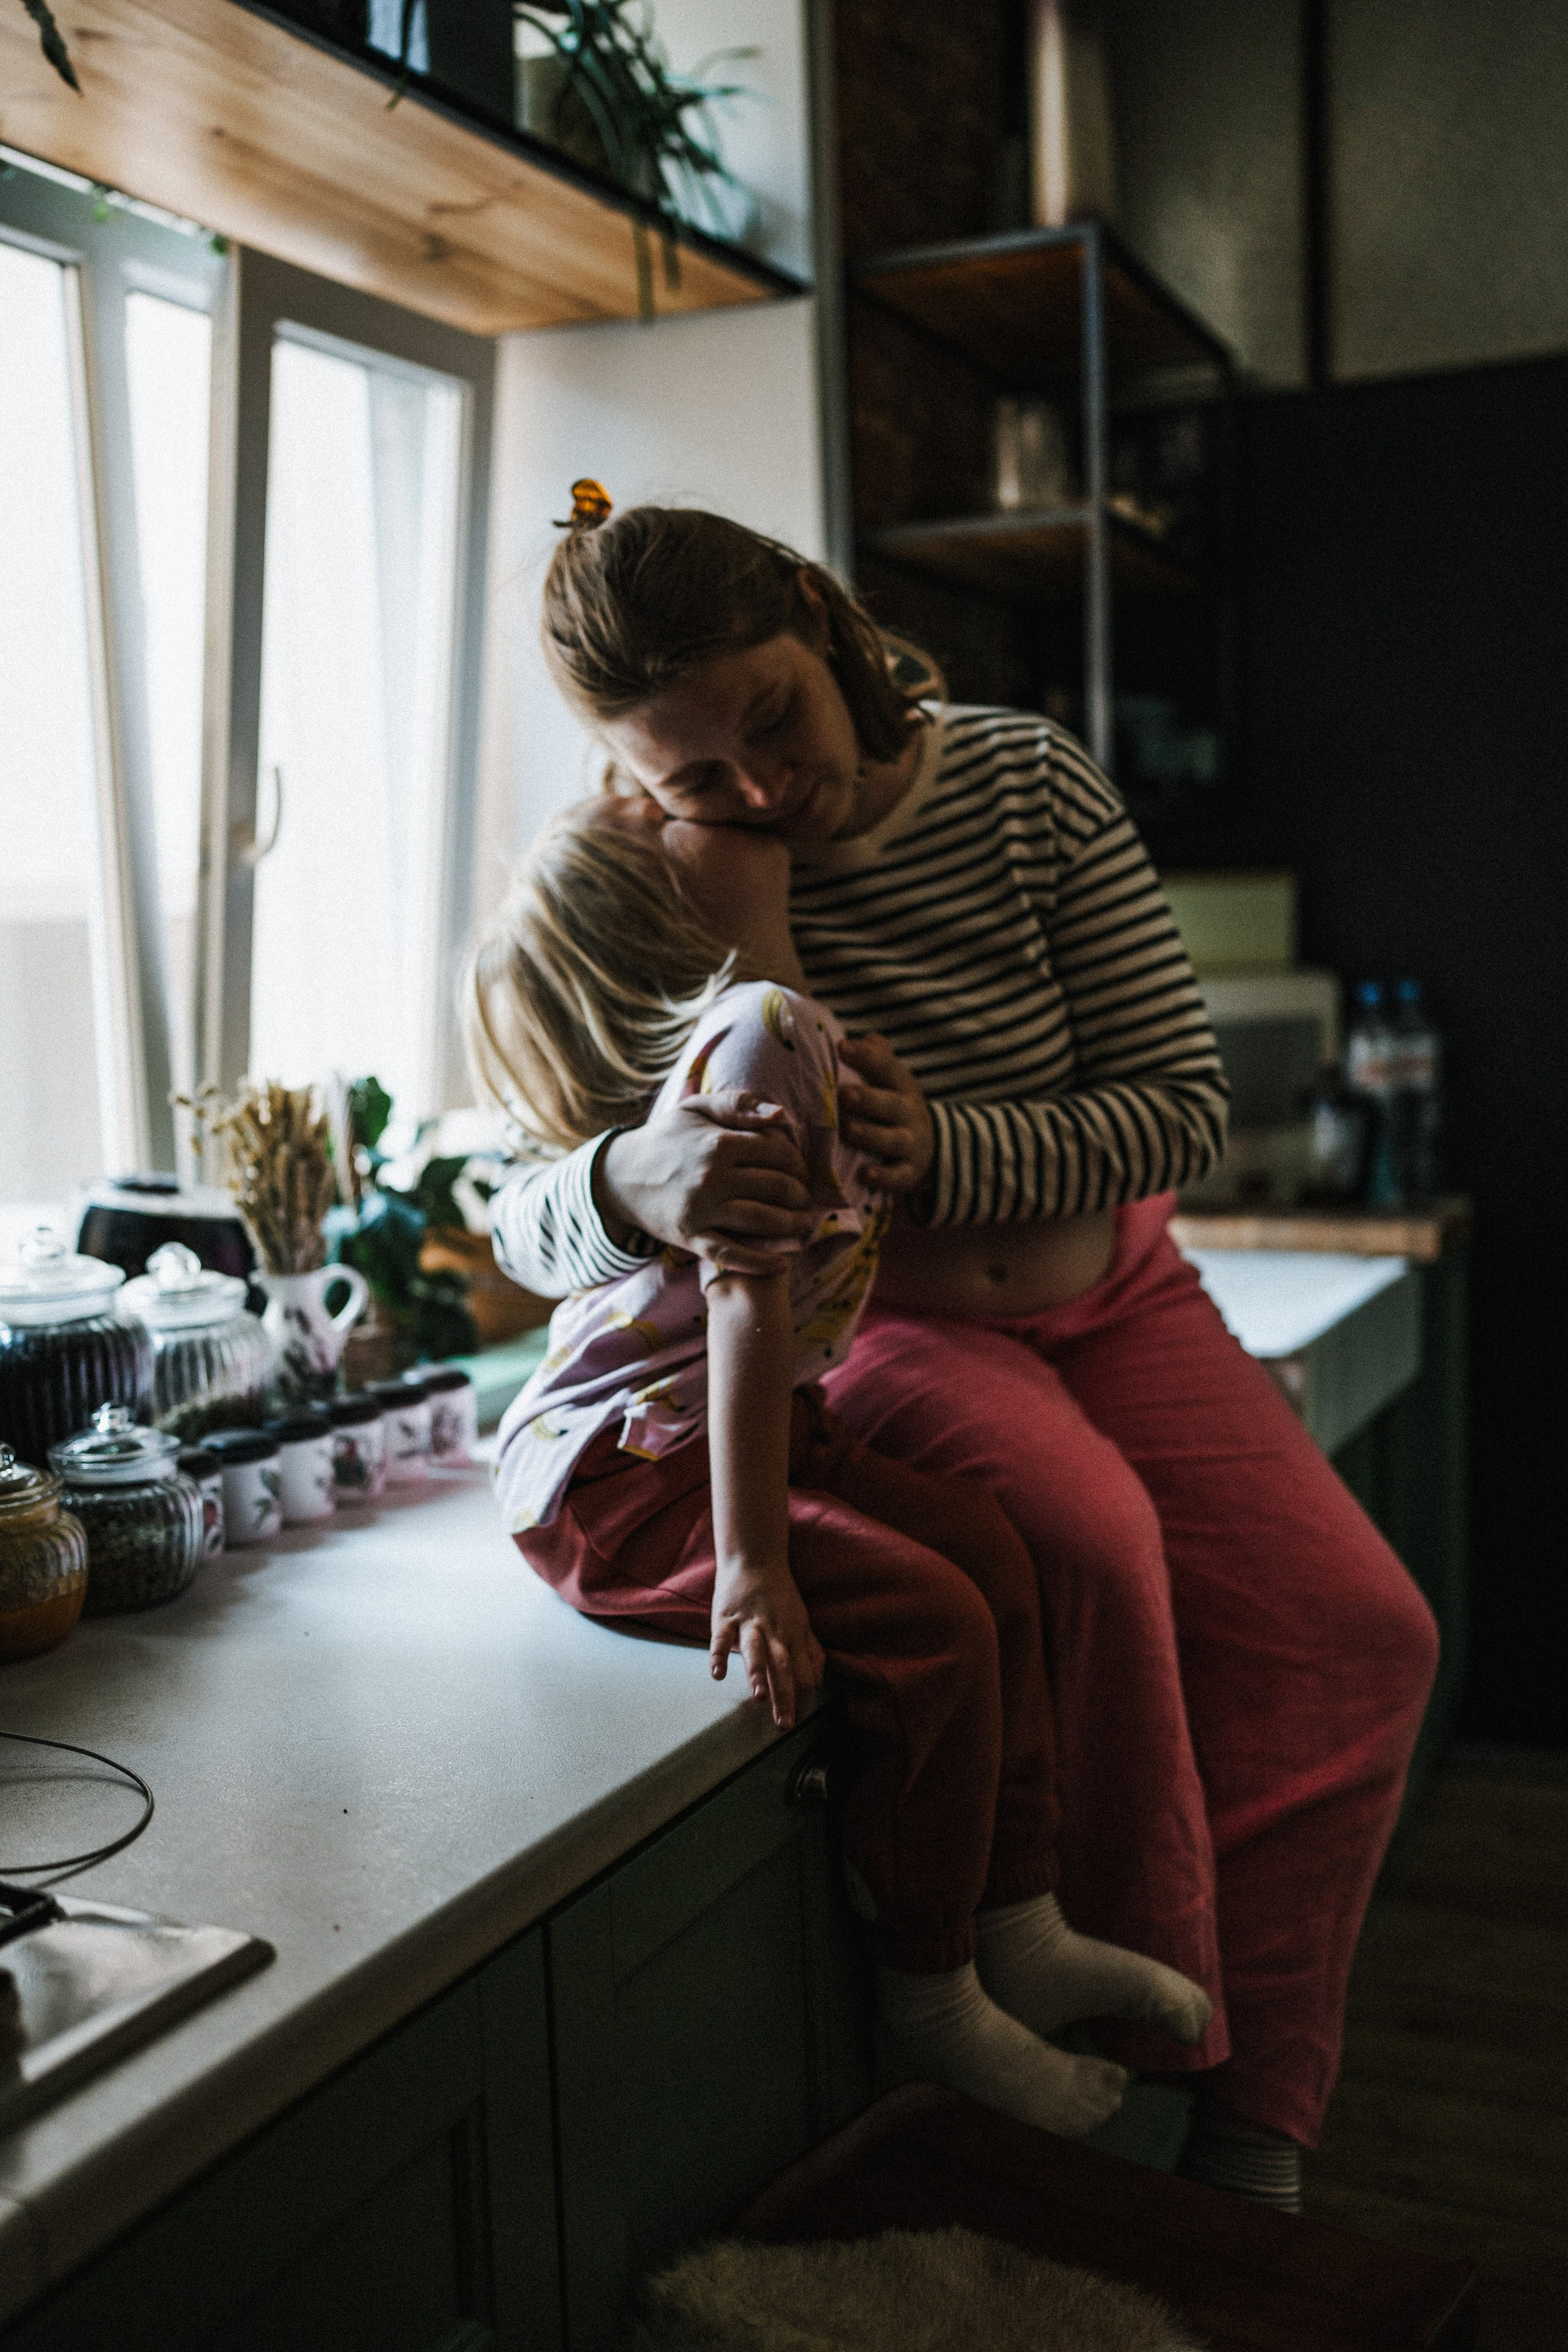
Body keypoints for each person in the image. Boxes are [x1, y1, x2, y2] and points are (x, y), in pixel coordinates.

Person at [489, 489, 1441, 2212]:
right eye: (701, 775)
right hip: (905, 1330)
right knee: (1087, 1542)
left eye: (774, 717)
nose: (764, 789)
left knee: (1357, 1634)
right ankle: (1164, 2116)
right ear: (640, 780)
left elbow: (1179, 1112)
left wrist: (946, 1152)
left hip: (1120, 1294)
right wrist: (633, 1175)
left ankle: (1255, 2117)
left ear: (809, 606)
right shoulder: (648, 858)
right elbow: (510, 1211)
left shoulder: (1023, 782)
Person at [469, 796, 1215, 2142]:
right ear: (662, 912)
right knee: (929, 1620)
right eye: (655, 810)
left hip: (729, 1427)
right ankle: (931, 1993)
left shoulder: (786, 1025)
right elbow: (745, 1305)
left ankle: (1020, 1918)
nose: (676, 797)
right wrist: (751, 1566)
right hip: (625, 1476)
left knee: (990, 1549)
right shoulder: (751, 1034)